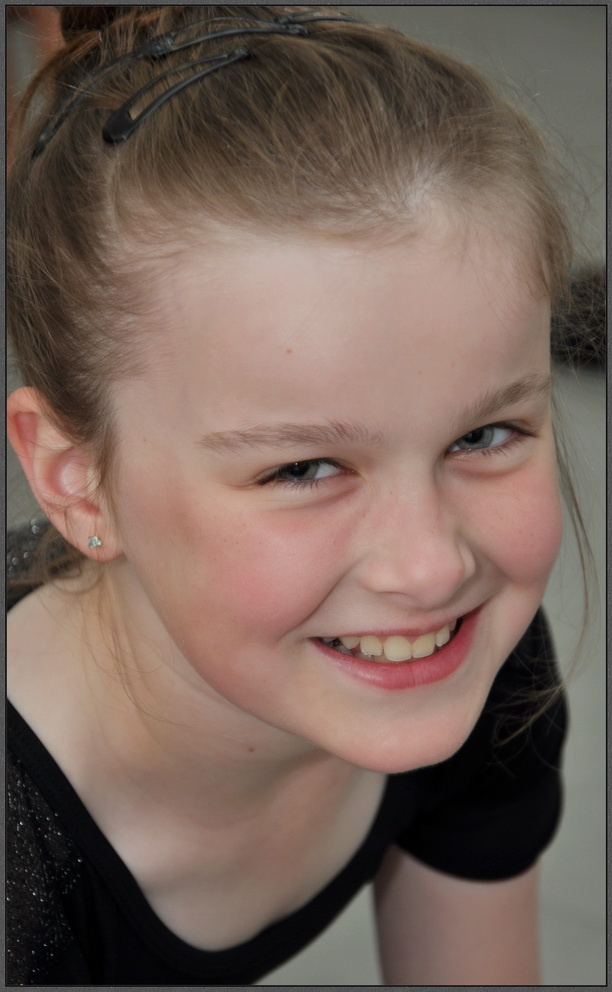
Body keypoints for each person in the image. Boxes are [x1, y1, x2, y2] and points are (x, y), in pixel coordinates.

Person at [6, 5, 574, 985]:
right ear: (75, 479)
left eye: (483, 436)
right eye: (303, 469)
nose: (431, 566)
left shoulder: (463, 652)